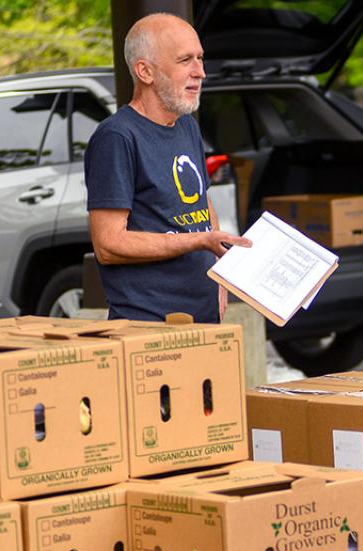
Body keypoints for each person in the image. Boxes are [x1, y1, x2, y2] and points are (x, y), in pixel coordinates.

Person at [84, 13, 249, 323]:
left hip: (204, 315)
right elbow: (109, 244)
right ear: (145, 71)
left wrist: (218, 264)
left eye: (200, 58)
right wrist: (200, 241)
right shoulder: (117, 137)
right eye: (185, 60)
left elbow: (201, 199)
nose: (200, 71)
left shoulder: (186, 125)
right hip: (149, 325)